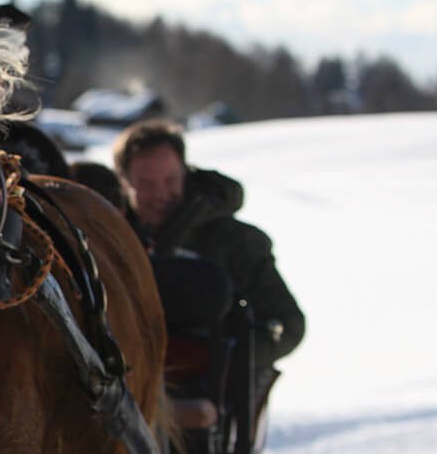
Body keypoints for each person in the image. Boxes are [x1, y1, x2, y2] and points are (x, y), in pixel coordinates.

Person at [112, 119, 304, 396]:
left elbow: (288, 324)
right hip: (119, 389)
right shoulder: (107, 239)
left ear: (186, 173)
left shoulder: (235, 243)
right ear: (124, 182)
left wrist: (221, 358)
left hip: (203, 397)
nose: (160, 194)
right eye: (146, 184)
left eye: (170, 180)